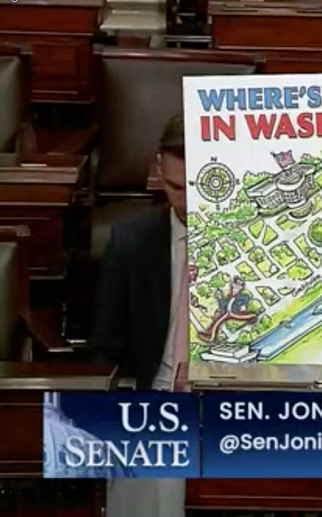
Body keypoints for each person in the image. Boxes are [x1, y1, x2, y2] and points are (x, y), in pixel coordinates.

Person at [90, 113, 189, 517]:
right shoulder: (131, 242)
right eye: (174, 186)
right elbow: (104, 347)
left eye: (197, 187)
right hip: (156, 395)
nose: (184, 201)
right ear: (157, 169)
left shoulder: (266, 241)